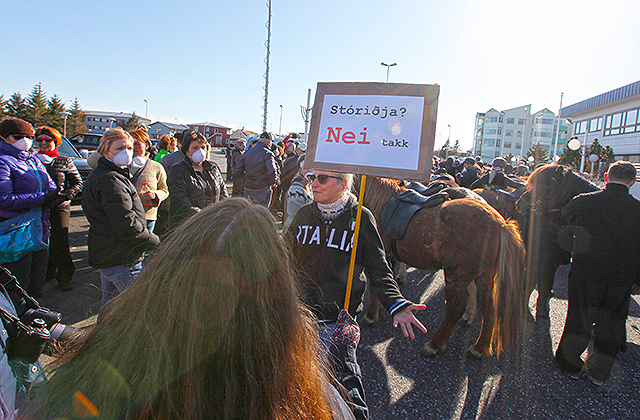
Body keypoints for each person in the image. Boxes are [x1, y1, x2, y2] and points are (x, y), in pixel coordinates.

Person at [24, 198, 353, 420]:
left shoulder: (105, 372)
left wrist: (62, 337)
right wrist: (348, 364)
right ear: (276, 300)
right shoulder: (300, 388)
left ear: (161, 277)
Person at [286, 170, 427, 419]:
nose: (314, 184)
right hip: (301, 318)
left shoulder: (360, 217)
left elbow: (379, 268)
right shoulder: (304, 213)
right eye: (312, 178)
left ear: (343, 184)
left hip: (338, 321)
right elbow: (284, 258)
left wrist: (396, 303)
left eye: (322, 178)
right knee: (296, 386)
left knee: (346, 390)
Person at [554, 161, 640, 385]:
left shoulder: (584, 202)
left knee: (578, 319)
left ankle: (570, 364)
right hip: (621, 278)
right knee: (611, 323)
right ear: (632, 182)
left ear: (605, 176)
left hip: (586, 272)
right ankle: (600, 373)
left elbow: (565, 216)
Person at [82, 128, 159, 307]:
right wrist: (153, 240)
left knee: (109, 305)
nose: (126, 152)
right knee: (136, 307)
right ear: (105, 150)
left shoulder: (111, 175)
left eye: (130, 148)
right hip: (122, 257)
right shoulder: (111, 180)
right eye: (119, 148)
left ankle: (100, 335)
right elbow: (126, 223)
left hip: (111, 252)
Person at [0, 118, 59, 299]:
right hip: (15, 230)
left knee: (37, 277)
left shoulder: (32, 158)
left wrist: (58, 194)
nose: (25, 140)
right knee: (18, 282)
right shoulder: (3, 161)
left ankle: (33, 317)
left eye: (29, 136)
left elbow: (50, 186)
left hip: (39, 226)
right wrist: (42, 198)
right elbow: (4, 199)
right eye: (18, 136)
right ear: (4, 137)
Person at [35, 126, 83, 291]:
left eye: (47, 140)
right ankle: (46, 272)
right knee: (40, 242)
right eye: (39, 140)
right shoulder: (32, 159)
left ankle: (65, 275)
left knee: (59, 241)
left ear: (55, 142)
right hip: (36, 207)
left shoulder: (64, 161)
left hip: (59, 207)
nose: (43, 143)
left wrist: (66, 194)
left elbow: (78, 183)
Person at [167, 130, 227, 227]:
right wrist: (204, 216)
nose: (200, 151)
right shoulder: (178, 170)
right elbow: (180, 201)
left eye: (203, 148)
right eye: (195, 148)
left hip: (213, 224)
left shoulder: (213, 168)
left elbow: (223, 195)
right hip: (188, 225)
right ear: (186, 151)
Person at [128, 128, 169, 233]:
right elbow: (92, 162)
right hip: (124, 215)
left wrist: (155, 195)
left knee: (143, 246)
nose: (133, 147)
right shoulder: (121, 165)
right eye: (130, 144)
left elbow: (165, 190)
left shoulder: (156, 167)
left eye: (137, 144)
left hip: (148, 216)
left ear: (146, 145)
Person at [233, 132, 279, 207]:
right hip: (262, 189)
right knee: (261, 213)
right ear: (269, 142)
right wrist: (270, 183)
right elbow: (272, 172)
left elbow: (237, 171)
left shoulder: (248, 152)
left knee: (248, 211)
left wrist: (245, 181)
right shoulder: (267, 153)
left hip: (249, 188)